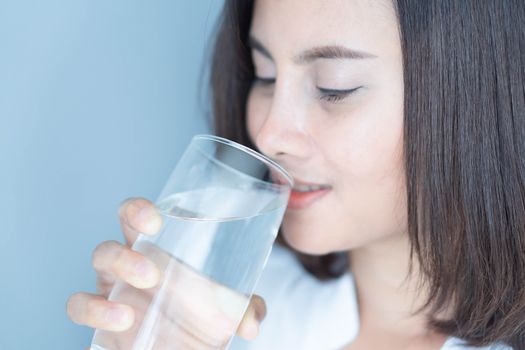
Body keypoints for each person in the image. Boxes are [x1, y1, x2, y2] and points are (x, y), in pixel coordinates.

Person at [67, 0, 525, 349]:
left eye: (334, 88)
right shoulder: (230, 318)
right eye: (264, 76)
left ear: (475, 97)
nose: (268, 135)